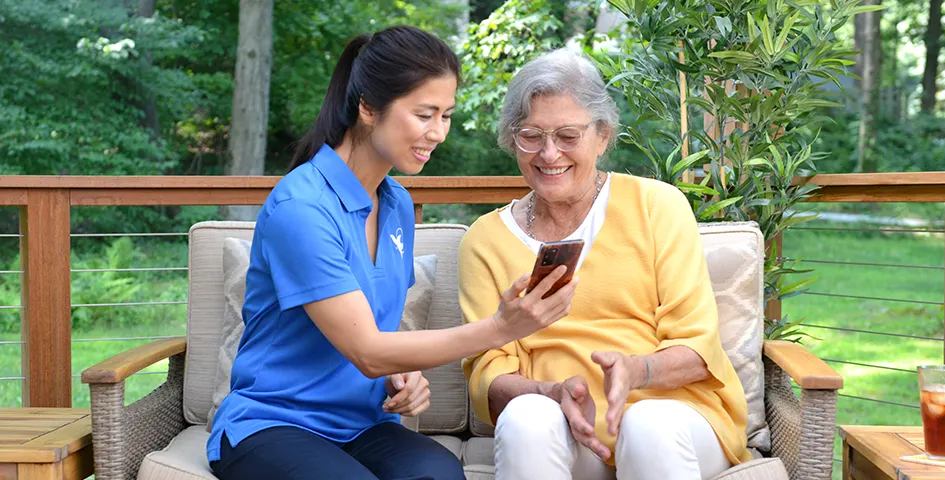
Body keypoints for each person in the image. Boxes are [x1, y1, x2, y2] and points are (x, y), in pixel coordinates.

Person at [206, 26, 578, 480]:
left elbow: (377, 337)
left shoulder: (396, 203)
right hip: (271, 424)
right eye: (425, 114)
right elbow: (368, 350)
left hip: (361, 425)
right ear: (367, 107)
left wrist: (403, 377)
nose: (438, 132)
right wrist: (501, 327)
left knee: (441, 474)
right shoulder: (301, 208)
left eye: (446, 115)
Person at [459, 48, 753, 480]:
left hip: (676, 417)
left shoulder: (656, 206)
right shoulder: (485, 240)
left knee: (647, 424)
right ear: (512, 140)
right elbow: (488, 374)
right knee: (526, 417)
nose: (549, 153)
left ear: (603, 136)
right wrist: (552, 393)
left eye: (568, 136)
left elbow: (697, 348)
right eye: (531, 135)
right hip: (567, 429)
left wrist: (637, 370)